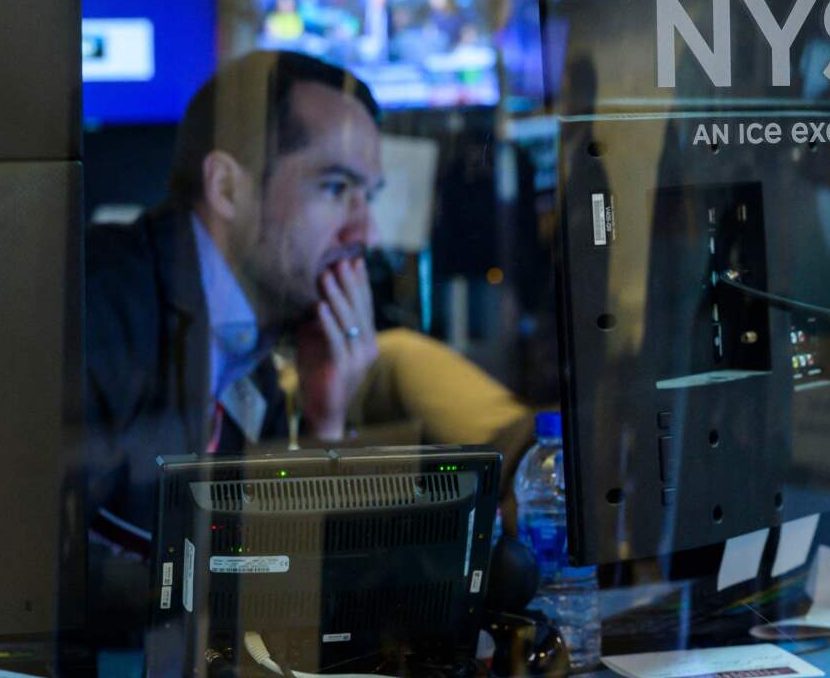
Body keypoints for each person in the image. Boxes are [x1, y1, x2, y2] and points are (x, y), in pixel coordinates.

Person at [84, 50, 532, 642]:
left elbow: (288, 584)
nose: (365, 232)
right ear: (227, 188)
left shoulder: (249, 361)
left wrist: (329, 422)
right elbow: (41, 572)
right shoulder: (100, 305)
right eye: (335, 186)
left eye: (367, 195)